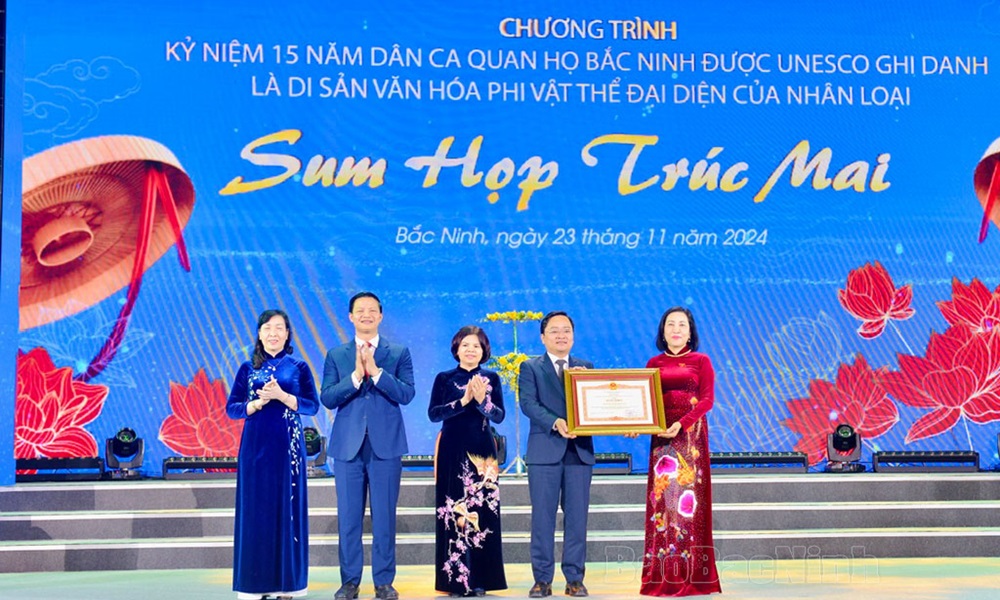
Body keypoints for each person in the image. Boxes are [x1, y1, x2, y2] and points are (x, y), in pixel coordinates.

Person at [321, 292, 415, 600]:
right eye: (359, 310)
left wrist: (376, 373)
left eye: (371, 310)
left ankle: (384, 582)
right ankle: (350, 582)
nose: (366, 314)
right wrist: (355, 377)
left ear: (380, 316)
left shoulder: (398, 353)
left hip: (385, 446)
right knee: (349, 518)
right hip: (348, 447)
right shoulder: (336, 355)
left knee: (384, 517)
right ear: (350, 316)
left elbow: (406, 394)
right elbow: (328, 397)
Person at [226, 309, 320, 600]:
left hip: (288, 448)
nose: (273, 333)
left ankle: (286, 585)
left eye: (279, 328)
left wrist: (281, 396)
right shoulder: (247, 368)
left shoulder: (298, 366)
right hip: (255, 447)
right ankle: (254, 585)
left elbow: (312, 405)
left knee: (287, 510)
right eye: (268, 328)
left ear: (288, 334)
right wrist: (255, 403)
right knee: (256, 512)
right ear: (259, 333)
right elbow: (232, 408)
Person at [639, 307, 721, 596]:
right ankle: (663, 576)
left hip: (689, 441)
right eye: (670, 324)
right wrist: (637, 424)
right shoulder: (653, 362)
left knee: (688, 508)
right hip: (661, 440)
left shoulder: (701, 361)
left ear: (690, 331)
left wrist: (681, 424)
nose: (676, 329)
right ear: (663, 331)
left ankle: (691, 577)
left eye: (682, 325)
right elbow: (644, 401)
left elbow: (707, 401)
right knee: (663, 506)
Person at [518, 311, 594, 598]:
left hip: (579, 453)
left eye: (566, 331)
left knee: (577, 519)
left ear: (573, 336)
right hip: (544, 452)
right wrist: (555, 421)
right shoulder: (530, 367)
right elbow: (528, 403)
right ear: (543, 337)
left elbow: (595, 406)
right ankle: (542, 579)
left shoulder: (586, 367)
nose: (561, 335)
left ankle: (575, 578)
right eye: (554, 331)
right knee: (543, 518)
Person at [428, 325, 508, 597]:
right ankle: (455, 580)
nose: (471, 350)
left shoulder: (492, 378)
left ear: (484, 350)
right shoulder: (444, 378)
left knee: (483, 512)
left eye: (476, 345)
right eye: (465, 345)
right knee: (454, 512)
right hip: (452, 450)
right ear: (456, 349)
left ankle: (482, 579)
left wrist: (483, 401)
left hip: (483, 454)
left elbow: (498, 416)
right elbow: (434, 414)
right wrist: (463, 400)